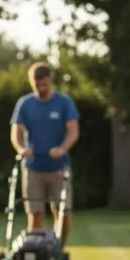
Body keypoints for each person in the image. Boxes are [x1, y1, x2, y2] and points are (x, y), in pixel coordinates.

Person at [10, 62, 80, 249]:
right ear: (32, 82)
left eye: (44, 83)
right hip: (33, 168)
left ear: (49, 81)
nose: (42, 87)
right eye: (37, 83)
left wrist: (62, 149)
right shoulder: (25, 104)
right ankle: (36, 253)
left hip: (58, 167)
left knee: (62, 212)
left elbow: (73, 131)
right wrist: (21, 149)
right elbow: (16, 133)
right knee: (35, 213)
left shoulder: (64, 102)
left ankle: (58, 250)